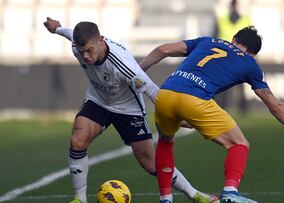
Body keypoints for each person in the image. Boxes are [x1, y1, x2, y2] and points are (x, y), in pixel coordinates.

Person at [139, 26, 284, 203]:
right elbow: (274, 105)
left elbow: (163, 50)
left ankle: (165, 199)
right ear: (253, 53)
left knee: (165, 142)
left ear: (234, 40)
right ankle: (230, 191)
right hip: (194, 99)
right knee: (239, 144)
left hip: (165, 93)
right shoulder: (250, 64)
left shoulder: (206, 41)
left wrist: (137, 71)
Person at [43, 17, 219, 203]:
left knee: (150, 163)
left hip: (128, 108)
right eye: (81, 51)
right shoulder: (77, 45)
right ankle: (79, 199)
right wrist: (57, 28)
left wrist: (176, 115)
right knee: (77, 141)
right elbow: (69, 33)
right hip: (98, 100)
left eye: (89, 50)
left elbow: (152, 91)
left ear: (100, 41)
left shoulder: (124, 65)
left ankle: (195, 195)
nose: (85, 56)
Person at [213, 0, 251, 109]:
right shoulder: (221, 21)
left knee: (241, 85)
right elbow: (214, 38)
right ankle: (223, 107)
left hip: (240, 58)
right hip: (224, 58)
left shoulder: (245, 19)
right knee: (224, 86)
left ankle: (243, 109)